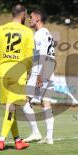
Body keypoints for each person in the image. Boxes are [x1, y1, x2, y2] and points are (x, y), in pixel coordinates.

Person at [0, 4, 34, 150]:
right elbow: (30, 57)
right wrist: (28, 71)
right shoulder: (27, 31)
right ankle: (1, 140)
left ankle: (18, 140)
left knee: (10, 107)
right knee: (11, 107)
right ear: (23, 14)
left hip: (2, 70)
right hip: (18, 71)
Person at [22, 9, 55, 144]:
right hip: (50, 69)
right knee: (46, 103)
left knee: (23, 100)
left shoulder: (39, 34)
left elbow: (41, 56)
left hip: (41, 71)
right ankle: (49, 137)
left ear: (37, 19)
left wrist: (39, 75)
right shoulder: (48, 33)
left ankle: (36, 132)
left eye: (31, 17)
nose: (29, 19)